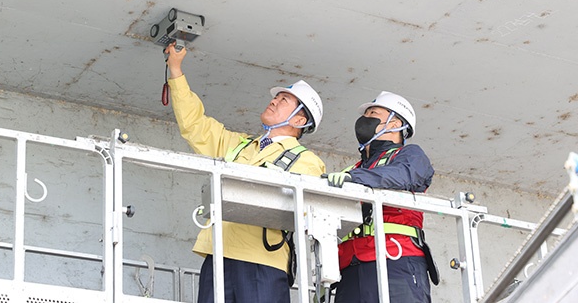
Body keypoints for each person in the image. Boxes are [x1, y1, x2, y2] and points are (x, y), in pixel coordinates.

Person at [164, 42, 326, 303]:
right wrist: (176, 69)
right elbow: (195, 125)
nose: (273, 100)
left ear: (299, 120)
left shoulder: (307, 161)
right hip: (219, 254)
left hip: (261, 261)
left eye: (284, 100)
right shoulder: (239, 145)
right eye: (276, 97)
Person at [324, 91, 438, 302]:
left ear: (395, 124)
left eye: (373, 113)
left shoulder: (410, 155)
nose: (365, 119)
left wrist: (354, 178)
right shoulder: (353, 169)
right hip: (350, 267)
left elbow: (402, 175)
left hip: (396, 261)